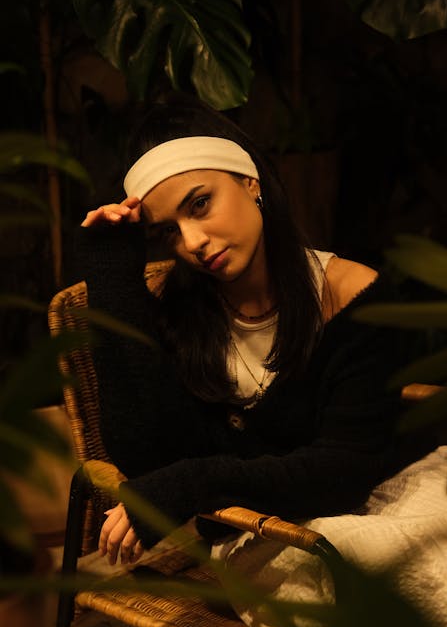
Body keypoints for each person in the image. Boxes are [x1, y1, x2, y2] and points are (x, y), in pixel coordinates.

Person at [75, 91, 428, 566]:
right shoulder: (182, 310)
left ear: (249, 182)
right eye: (168, 232)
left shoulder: (353, 296)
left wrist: (194, 483)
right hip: (255, 534)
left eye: (200, 204)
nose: (193, 243)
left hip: (378, 509)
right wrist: (111, 265)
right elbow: (142, 457)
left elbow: (343, 471)